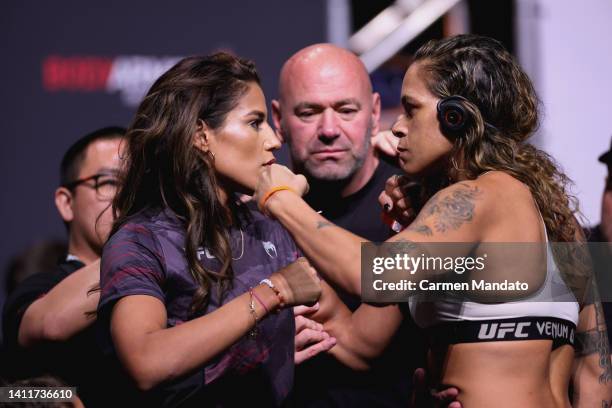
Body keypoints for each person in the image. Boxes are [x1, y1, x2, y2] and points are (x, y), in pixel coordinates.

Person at [255, 35, 612, 407]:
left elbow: (376, 275)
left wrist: (279, 199)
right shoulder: (556, 214)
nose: (398, 127)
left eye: (411, 110)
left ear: (456, 117)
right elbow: (596, 372)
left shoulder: (476, 197)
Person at [96, 53, 321, 407]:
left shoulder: (269, 229)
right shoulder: (142, 239)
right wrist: (272, 292)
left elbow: (362, 339)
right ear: (201, 135)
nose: (275, 140)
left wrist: (414, 226)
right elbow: (145, 360)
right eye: (255, 122)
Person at [272, 43, 424, 407]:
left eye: (345, 110)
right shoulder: (249, 215)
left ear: (374, 112)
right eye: (308, 112)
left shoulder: (420, 202)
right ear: (278, 120)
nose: (329, 129)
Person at [1, 126, 124, 406]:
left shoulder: (168, 288)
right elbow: (8, 393)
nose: (127, 197)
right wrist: (59, 396)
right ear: (66, 203)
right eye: (109, 182)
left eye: (140, 184)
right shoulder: (38, 288)